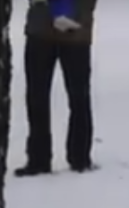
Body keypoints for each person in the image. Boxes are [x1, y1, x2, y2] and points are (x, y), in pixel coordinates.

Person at [16, 0, 98, 177]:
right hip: (47, 31)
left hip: (72, 31)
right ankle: (44, 158)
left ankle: (77, 156)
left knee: (77, 96)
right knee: (39, 96)